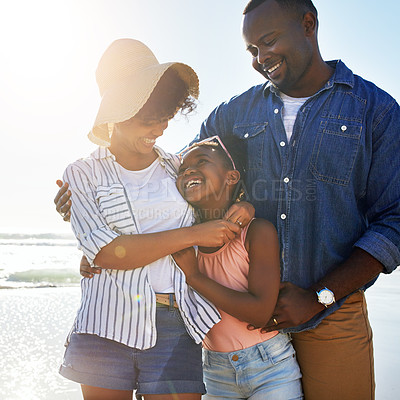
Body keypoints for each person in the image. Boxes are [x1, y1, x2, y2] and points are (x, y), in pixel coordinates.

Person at [195, 1, 400, 399]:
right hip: (243, 328)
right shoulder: (233, 115)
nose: (260, 58)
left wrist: (319, 297)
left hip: (334, 316)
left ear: (309, 24)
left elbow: (394, 220)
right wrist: (88, 199)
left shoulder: (375, 111)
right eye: (252, 50)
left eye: (268, 42)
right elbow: (178, 179)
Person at [58, 38, 254, 400]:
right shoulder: (81, 174)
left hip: (176, 324)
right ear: (118, 113)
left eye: (165, 118)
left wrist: (248, 207)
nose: (161, 129)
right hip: (105, 323)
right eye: (150, 120)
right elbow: (106, 252)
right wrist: (192, 234)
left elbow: (221, 195)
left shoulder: (177, 166)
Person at [78, 135, 303, 399]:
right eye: (183, 169)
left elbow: (260, 313)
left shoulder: (256, 232)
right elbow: (135, 227)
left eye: (202, 161)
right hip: (213, 371)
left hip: (269, 367)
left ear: (231, 177)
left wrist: (195, 277)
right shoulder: (181, 233)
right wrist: (99, 251)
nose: (188, 170)